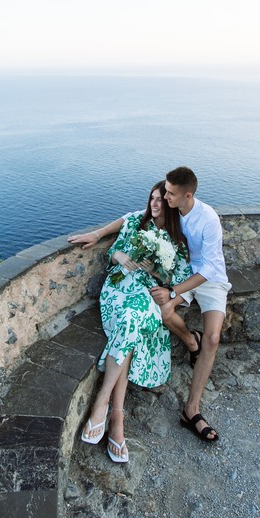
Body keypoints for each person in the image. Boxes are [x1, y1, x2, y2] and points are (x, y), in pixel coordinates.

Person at [67, 182, 191, 463]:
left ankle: (104, 404)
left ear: (171, 203)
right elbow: (116, 232)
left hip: (146, 292)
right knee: (131, 323)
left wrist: (159, 274)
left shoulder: (177, 239)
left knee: (132, 321)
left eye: (161, 200)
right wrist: (115, 252)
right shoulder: (137, 220)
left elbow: (180, 281)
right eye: (152, 198)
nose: (155, 204)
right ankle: (116, 419)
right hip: (119, 285)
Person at [149, 166, 231, 443]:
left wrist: (173, 291)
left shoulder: (208, 219)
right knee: (163, 311)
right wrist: (99, 234)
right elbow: (138, 217)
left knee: (214, 337)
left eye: (171, 194)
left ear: (187, 195)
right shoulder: (172, 209)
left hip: (210, 278)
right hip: (184, 274)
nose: (165, 197)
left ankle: (191, 410)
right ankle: (190, 341)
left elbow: (208, 269)